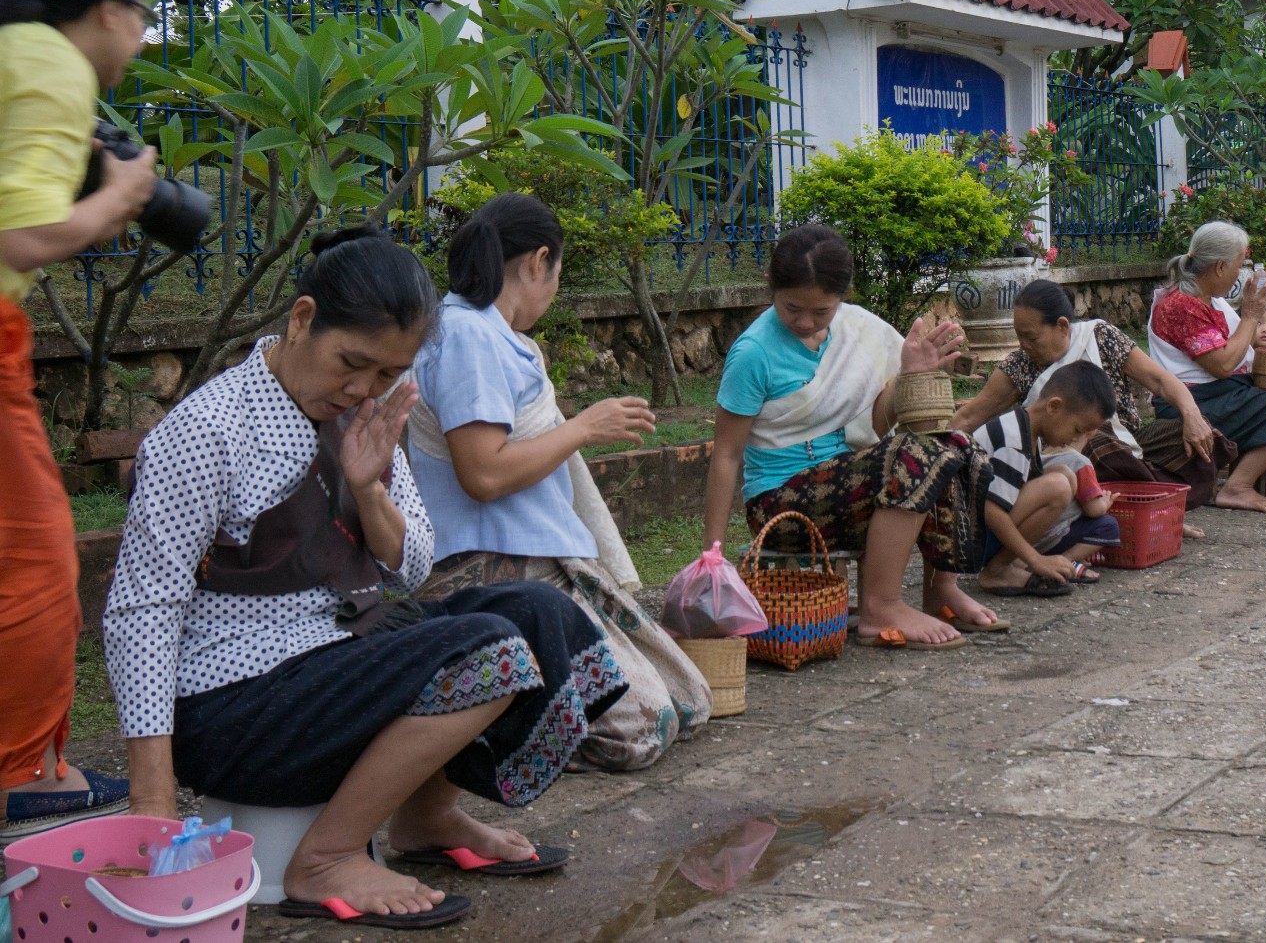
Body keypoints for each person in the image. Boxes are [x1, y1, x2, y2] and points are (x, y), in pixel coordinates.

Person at [105, 229, 619, 928]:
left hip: (337, 653)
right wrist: (153, 800)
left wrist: (369, 487)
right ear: (302, 318)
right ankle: (325, 856)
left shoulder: (367, 413)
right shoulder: (206, 430)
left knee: (537, 611)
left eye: (385, 373)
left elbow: (409, 567)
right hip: (235, 702)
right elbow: (144, 608)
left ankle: (425, 818)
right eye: (351, 363)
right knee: (485, 649)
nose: (361, 388)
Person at [406, 194, 710, 771]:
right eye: (558, 273)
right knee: (641, 731)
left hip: (542, 558)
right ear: (539, 260)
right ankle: (500, 727)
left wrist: (576, 428)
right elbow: (484, 473)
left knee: (690, 701)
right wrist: (583, 427)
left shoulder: (493, 334)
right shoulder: (468, 336)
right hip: (493, 565)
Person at [0, 0, 164, 842]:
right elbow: (15, 239)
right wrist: (118, 199)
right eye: (140, 17)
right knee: (36, 561)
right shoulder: (54, 65)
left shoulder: (14, 53)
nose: (140, 39)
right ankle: (26, 772)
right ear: (107, 11)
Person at [704, 224, 999, 651]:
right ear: (771, 290)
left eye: (821, 311)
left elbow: (873, 426)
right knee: (912, 456)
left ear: (842, 297)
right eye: (791, 309)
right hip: (780, 502)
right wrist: (712, 557)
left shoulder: (857, 331)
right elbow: (727, 456)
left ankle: (941, 591)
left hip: (846, 482)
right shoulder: (753, 354)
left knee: (954, 446)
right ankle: (880, 608)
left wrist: (909, 375)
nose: (805, 322)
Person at [951, 280, 1221, 535]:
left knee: (1201, 438)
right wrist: (937, 458)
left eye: (1031, 337)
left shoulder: (1101, 337)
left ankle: (1148, 505)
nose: (1024, 345)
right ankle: (1158, 512)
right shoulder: (1020, 365)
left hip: (1130, 444)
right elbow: (971, 415)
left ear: (1062, 325)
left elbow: (1160, 380)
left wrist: (1191, 415)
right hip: (1069, 455)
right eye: (1019, 336)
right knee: (1094, 444)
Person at [1146, 221, 1266, 514]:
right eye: (1238, 265)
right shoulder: (1181, 304)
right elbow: (1223, 365)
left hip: (1218, 394)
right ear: (1221, 267)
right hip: (1192, 402)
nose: (1240, 273)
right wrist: (1251, 314)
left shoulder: (1208, 300)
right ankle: (1237, 487)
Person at [972, 362, 1119, 597]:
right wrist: (1036, 560)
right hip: (968, 536)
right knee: (1058, 486)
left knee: (1065, 475)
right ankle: (998, 570)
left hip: (981, 530)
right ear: (1054, 407)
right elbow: (992, 509)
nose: (1076, 439)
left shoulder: (1027, 431)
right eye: (1077, 430)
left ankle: (1010, 563)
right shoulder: (1013, 441)